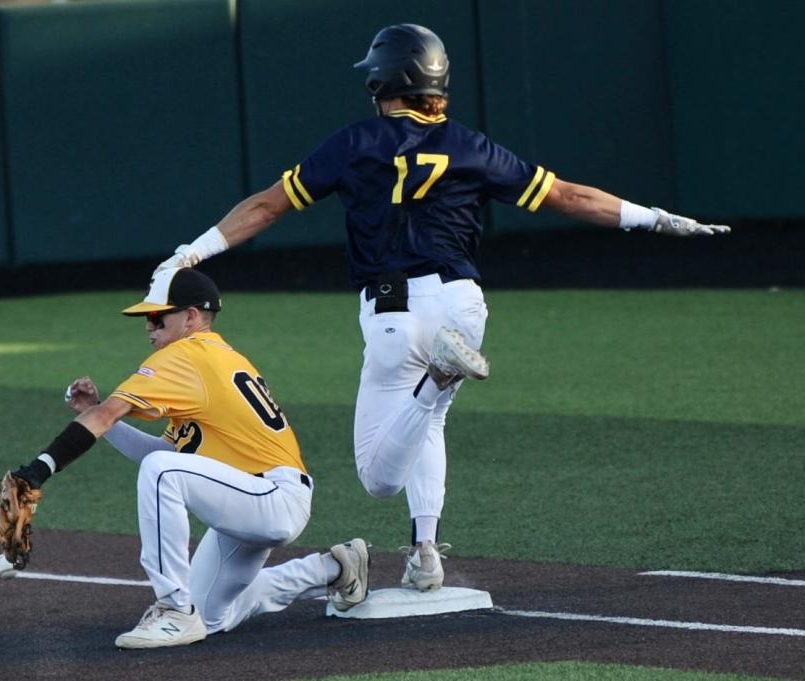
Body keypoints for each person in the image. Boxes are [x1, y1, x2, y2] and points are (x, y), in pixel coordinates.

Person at [153, 24, 730, 593]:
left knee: (378, 477)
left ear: (385, 78)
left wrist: (193, 252)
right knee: (431, 422)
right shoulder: (470, 146)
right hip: (462, 304)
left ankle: (435, 384)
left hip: (395, 309)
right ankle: (426, 552)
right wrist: (655, 216)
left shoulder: (356, 143)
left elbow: (267, 207)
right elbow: (568, 197)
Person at [6, 266, 370, 649]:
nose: (149, 327)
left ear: (191, 317)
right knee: (212, 616)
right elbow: (165, 453)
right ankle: (333, 568)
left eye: (158, 317)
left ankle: (174, 610)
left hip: (271, 496)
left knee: (161, 474)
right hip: (251, 496)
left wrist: (37, 470)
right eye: (147, 319)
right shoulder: (211, 358)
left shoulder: (186, 355)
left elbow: (135, 441)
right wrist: (94, 412)